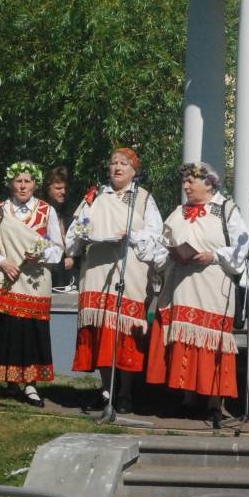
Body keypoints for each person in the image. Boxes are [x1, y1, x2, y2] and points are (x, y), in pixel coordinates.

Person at [145, 162, 248, 427]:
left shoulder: (227, 210)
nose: (186, 186)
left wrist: (213, 255)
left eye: (192, 181)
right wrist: (166, 253)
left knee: (211, 341)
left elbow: (242, 247)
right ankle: (188, 398)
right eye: (185, 181)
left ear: (209, 184)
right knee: (183, 339)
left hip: (213, 286)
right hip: (180, 286)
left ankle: (214, 402)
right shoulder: (178, 212)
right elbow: (160, 246)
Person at [66, 146, 161, 414]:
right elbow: (74, 233)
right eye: (113, 163)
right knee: (101, 332)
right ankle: (107, 389)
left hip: (129, 270)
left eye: (123, 164)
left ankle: (126, 392)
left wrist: (132, 234)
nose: (117, 168)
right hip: (97, 270)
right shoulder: (94, 196)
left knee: (124, 332)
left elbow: (156, 239)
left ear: (134, 171)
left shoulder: (143, 199)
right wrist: (83, 236)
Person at [0, 161, 64, 407]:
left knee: (32, 332)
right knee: (7, 330)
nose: (23, 186)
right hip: (8, 279)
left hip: (36, 281)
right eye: (19, 181)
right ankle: (9, 381)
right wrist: (2, 262)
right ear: (11, 183)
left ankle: (31, 384)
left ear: (35, 184)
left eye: (28, 181)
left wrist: (41, 255)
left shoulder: (47, 211)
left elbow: (57, 249)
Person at [42, 165, 77, 292]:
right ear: (47, 189)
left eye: (65, 188)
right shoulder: (39, 211)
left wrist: (73, 258)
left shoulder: (71, 212)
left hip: (67, 277)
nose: (63, 192)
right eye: (58, 188)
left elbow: (79, 243)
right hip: (44, 273)